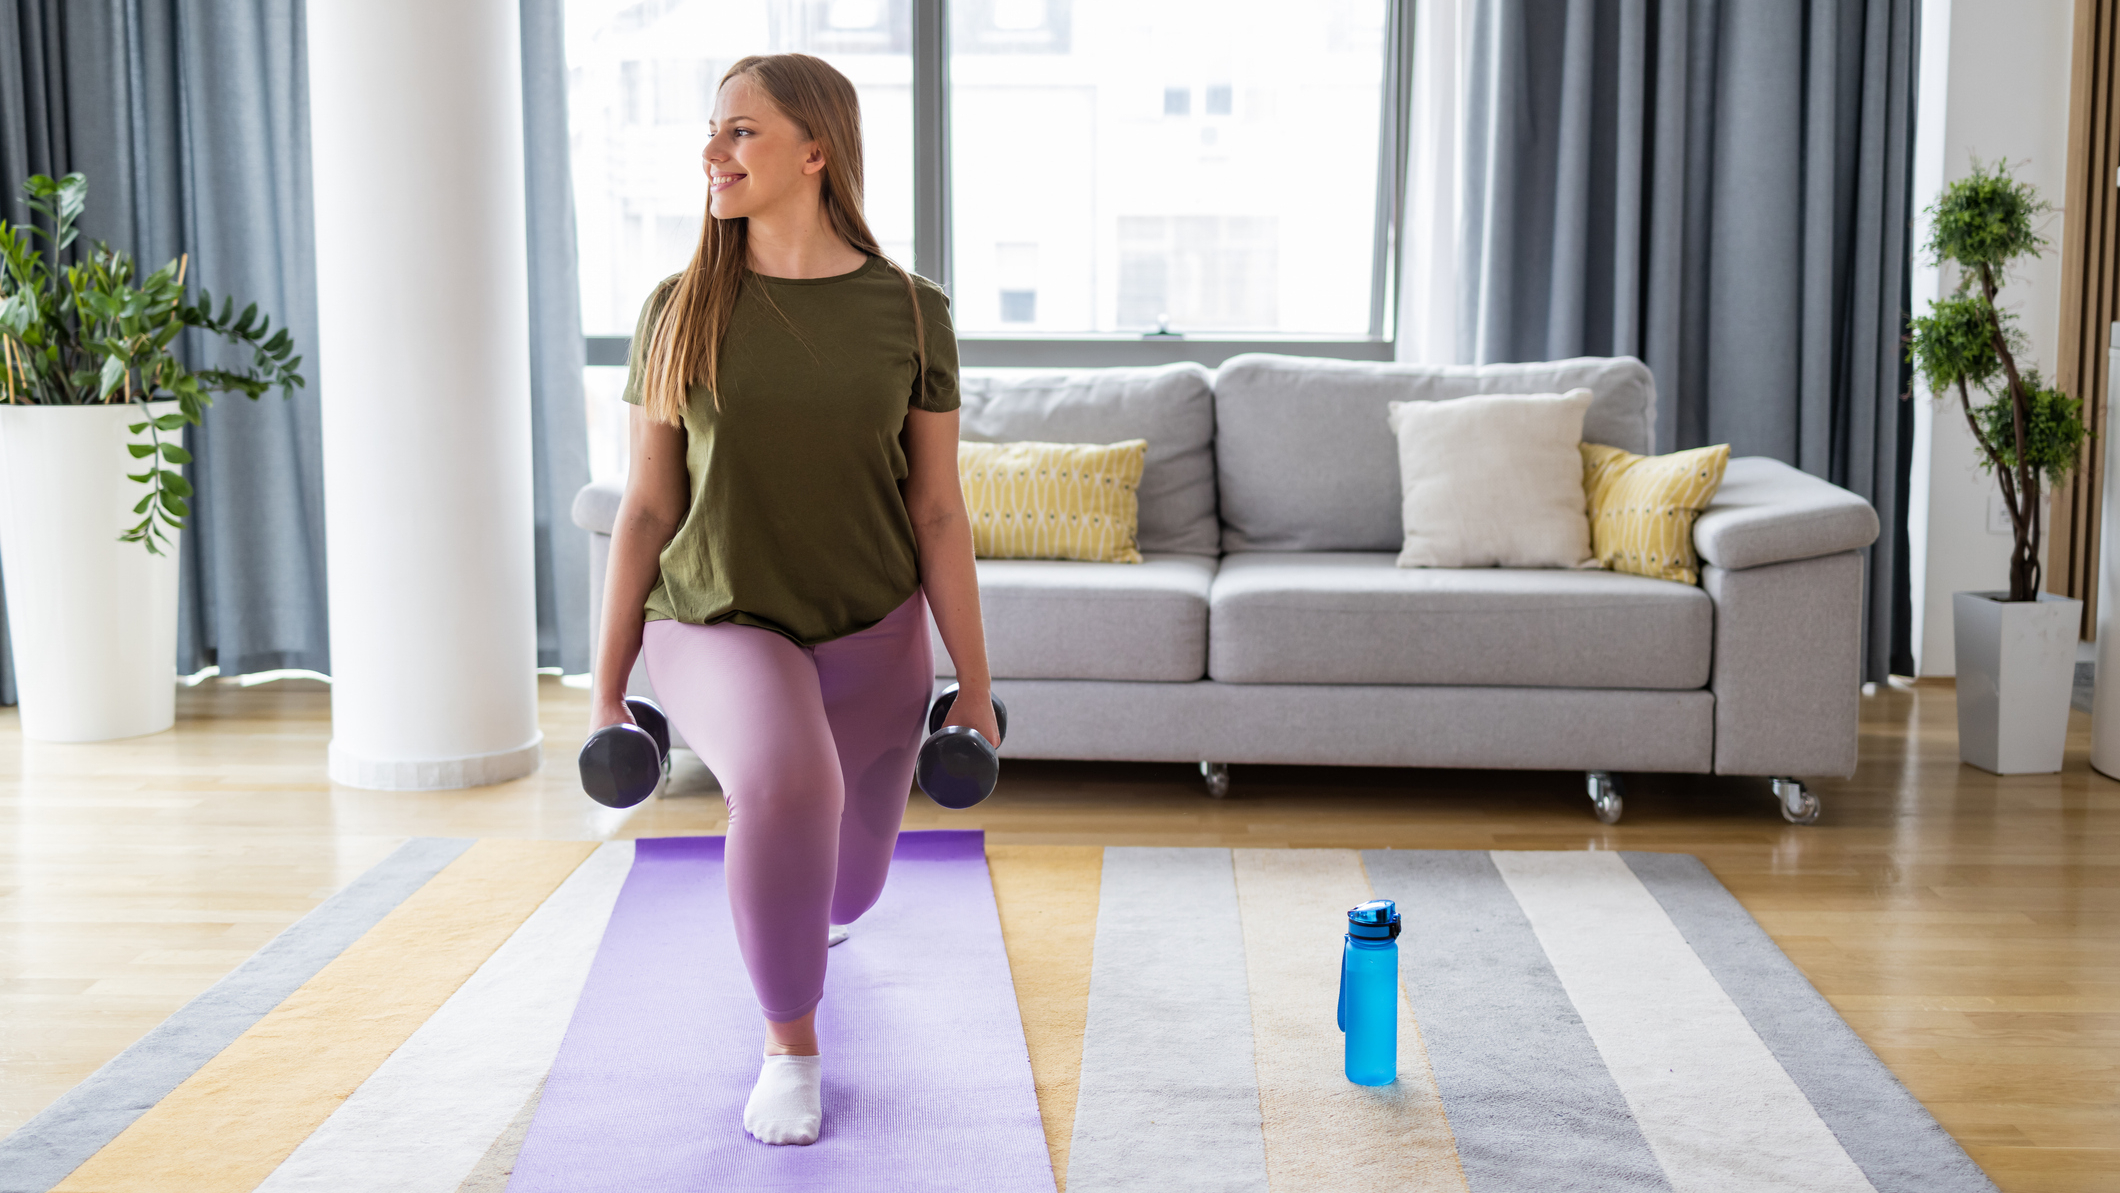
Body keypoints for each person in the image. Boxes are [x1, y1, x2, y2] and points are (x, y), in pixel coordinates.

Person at [588, 52, 997, 1148]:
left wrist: (976, 687)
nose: (711, 153)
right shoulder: (678, 307)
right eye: (713, 132)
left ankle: (813, 918)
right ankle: (790, 1045)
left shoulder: (911, 312)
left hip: (874, 635)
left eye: (740, 133)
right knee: (781, 776)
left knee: (847, 891)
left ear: (815, 150)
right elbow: (643, 509)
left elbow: (939, 513)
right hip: (718, 617)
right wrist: (603, 691)